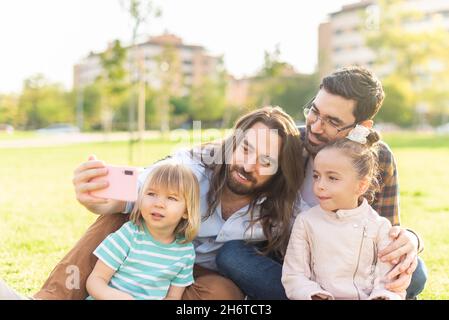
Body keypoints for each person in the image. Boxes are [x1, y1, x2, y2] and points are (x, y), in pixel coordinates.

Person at [33, 106, 304, 300]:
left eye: (265, 161)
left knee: (225, 293)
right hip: (146, 251)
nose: (248, 165)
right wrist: (103, 193)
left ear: (279, 171)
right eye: (246, 149)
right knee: (119, 217)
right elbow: (142, 184)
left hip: (189, 276)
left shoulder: (280, 209)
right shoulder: (194, 169)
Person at [216, 66, 427, 299]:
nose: (315, 127)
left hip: (350, 270)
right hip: (291, 263)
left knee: (417, 273)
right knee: (232, 255)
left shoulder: (377, 158)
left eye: (332, 122)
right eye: (314, 112)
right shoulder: (289, 141)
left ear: (362, 127)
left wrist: (412, 239)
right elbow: (223, 152)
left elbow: (386, 234)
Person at [282, 126, 404, 300]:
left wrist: (383, 296)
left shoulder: (379, 226)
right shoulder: (306, 222)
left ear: (361, 185)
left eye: (332, 178)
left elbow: (388, 280)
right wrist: (312, 294)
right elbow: (294, 274)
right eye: (316, 176)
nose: (320, 185)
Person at [86, 163, 200, 300]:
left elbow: (173, 297)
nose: (158, 203)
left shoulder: (185, 252)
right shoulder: (129, 235)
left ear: (186, 211)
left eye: (171, 198)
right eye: (151, 194)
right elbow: (96, 280)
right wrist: (113, 296)